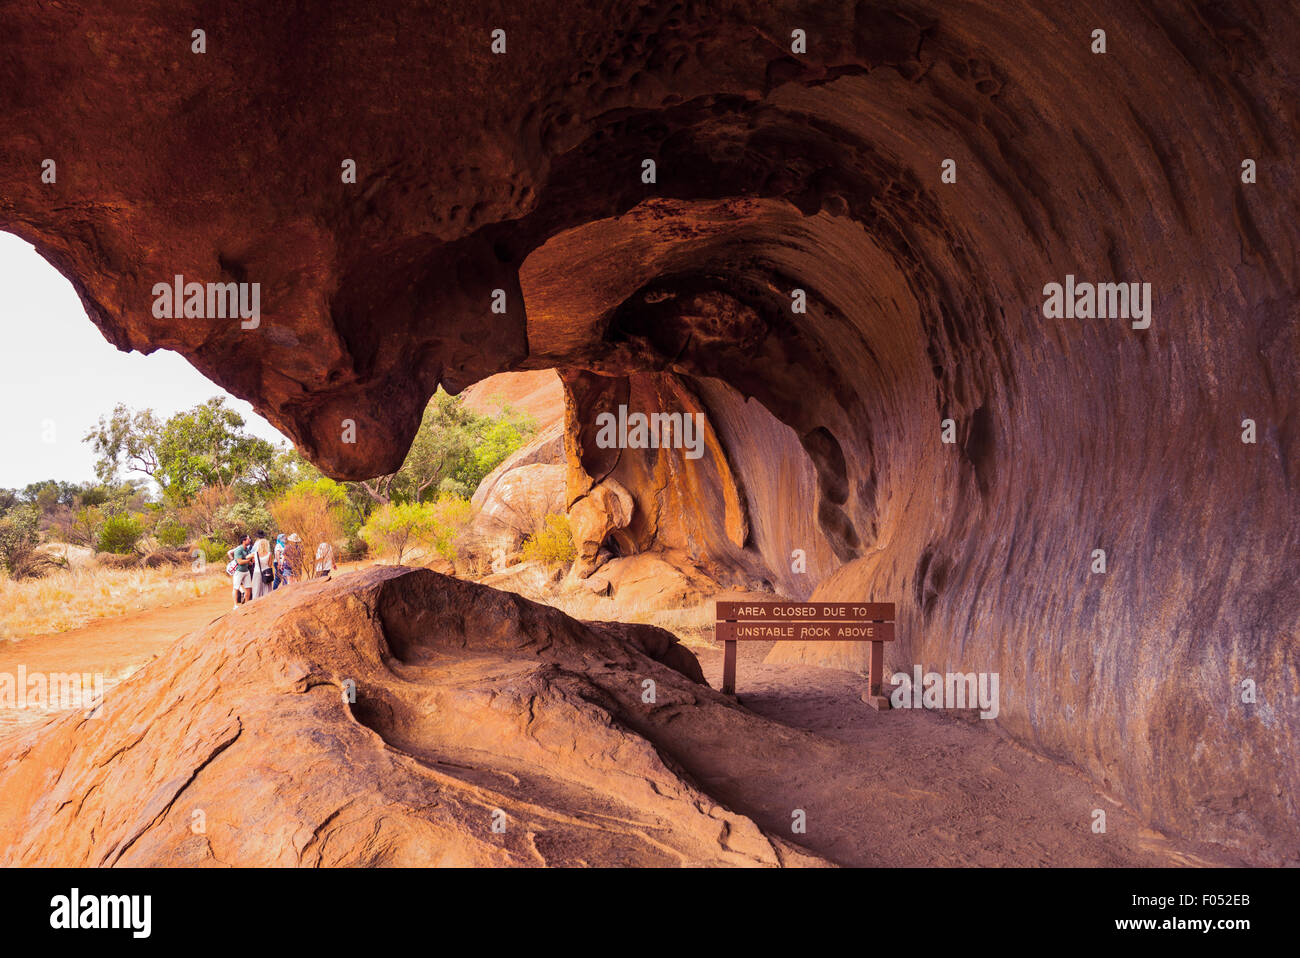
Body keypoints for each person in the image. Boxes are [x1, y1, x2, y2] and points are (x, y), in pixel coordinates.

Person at [226, 534, 254, 609]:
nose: (249, 540)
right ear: (244, 541)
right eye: (248, 539)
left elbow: (247, 559)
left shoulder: (247, 549)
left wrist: (250, 561)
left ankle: (247, 603)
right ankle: (235, 605)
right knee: (236, 587)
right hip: (239, 571)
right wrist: (248, 561)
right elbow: (240, 562)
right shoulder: (238, 549)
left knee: (248, 588)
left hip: (246, 570)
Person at [251, 535, 274, 599]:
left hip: (257, 572)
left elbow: (247, 557)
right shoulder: (269, 554)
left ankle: (255, 603)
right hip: (266, 572)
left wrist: (253, 560)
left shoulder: (255, 554)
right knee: (266, 589)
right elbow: (270, 565)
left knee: (256, 589)